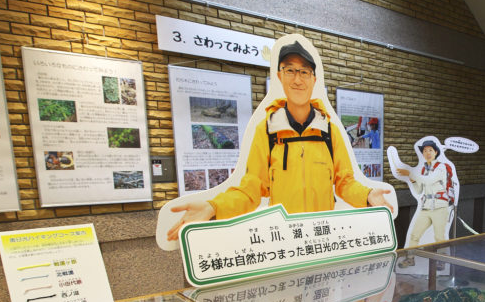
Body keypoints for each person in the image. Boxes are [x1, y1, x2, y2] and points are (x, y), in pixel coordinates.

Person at [166, 40, 392, 241]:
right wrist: (213, 207)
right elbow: (250, 189)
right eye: (290, 70)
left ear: (314, 79)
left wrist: (367, 195)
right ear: (279, 76)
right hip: (285, 240)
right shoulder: (267, 131)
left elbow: (345, 182)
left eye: (304, 72)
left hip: (323, 239)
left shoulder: (328, 131)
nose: (297, 79)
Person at [397, 139, 455, 268]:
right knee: (414, 234)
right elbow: (419, 190)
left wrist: (411, 174)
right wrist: (412, 180)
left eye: (430, 150)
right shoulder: (424, 170)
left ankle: (441, 261)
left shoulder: (441, 167)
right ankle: (410, 259)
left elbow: (429, 181)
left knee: (439, 237)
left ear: (436, 152)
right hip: (426, 206)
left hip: (440, 206)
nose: (427, 153)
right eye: (425, 150)